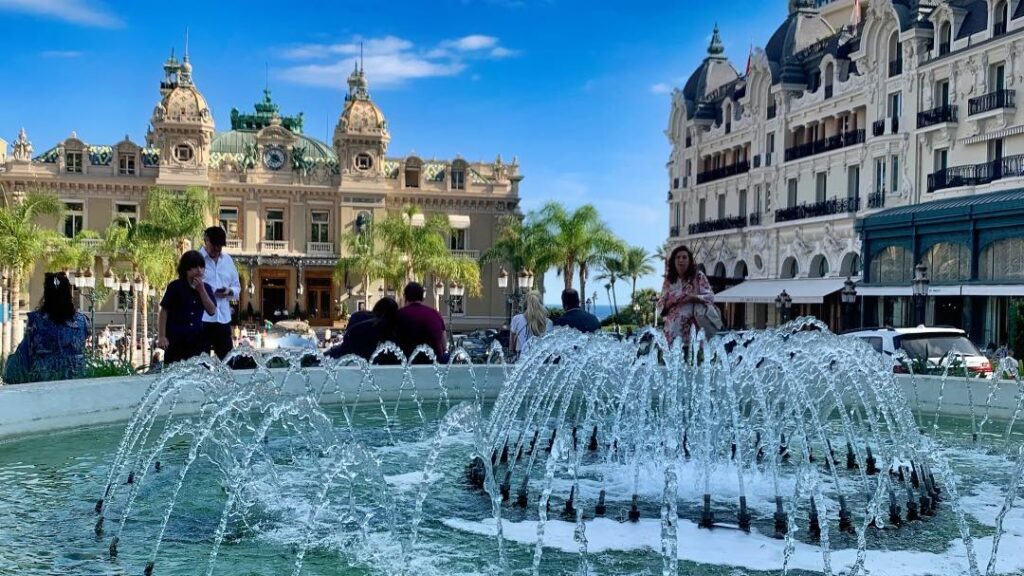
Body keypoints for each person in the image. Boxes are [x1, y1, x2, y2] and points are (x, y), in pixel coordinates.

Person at [3, 272, 89, 383]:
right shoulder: (82, 321)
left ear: (46, 294)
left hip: (43, 385)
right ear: (68, 293)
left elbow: (25, 354)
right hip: (76, 384)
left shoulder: (36, 321)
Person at [158, 250, 217, 365]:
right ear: (186, 269)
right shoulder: (175, 287)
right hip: (176, 340)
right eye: (195, 267)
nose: (199, 270)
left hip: (198, 340)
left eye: (201, 267)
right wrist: (162, 336)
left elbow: (212, 310)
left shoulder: (207, 288)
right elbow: (164, 311)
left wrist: (201, 290)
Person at [658, 244, 714, 345]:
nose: (681, 260)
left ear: (689, 260)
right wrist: (670, 302)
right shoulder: (669, 280)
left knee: (693, 358)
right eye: (678, 257)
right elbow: (660, 304)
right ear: (673, 261)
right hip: (672, 331)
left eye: (684, 257)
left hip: (694, 329)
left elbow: (710, 297)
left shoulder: (698, 277)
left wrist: (693, 298)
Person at [199, 226, 241, 361]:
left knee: (227, 361)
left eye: (220, 246)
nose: (217, 249)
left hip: (223, 318)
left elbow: (237, 287)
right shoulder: (197, 259)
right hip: (203, 319)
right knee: (201, 362)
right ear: (206, 241)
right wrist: (210, 292)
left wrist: (229, 291)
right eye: (214, 245)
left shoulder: (228, 260)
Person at [326, 297, 401, 364]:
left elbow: (347, 336)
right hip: (359, 359)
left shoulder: (358, 315)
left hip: (343, 354)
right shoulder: (384, 326)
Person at [395, 281, 447, 363]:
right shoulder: (435, 314)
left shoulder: (398, 315)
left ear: (405, 297)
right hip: (434, 364)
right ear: (422, 297)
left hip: (407, 365)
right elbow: (444, 345)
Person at [509, 291, 552, 358]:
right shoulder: (548, 322)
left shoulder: (516, 319)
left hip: (521, 359)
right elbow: (549, 345)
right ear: (541, 303)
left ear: (526, 304)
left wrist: (512, 353)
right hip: (540, 360)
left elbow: (512, 342)